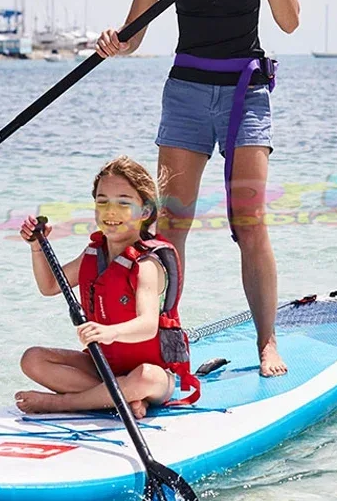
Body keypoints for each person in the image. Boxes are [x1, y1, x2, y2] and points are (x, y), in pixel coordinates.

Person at [95, 0, 300, 376]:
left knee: (249, 223)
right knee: (172, 225)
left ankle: (267, 342)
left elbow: (289, 22)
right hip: (185, 94)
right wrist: (114, 43)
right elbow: (135, 31)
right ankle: (166, 337)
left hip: (245, 95)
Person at [16, 156, 200, 419]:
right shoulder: (93, 254)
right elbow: (49, 285)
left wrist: (109, 332)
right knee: (32, 359)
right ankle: (122, 399)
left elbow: (147, 326)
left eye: (124, 203)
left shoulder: (146, 264)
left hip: (153, 376)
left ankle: (65, 403)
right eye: (102, 202)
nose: (111, 212)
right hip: (105, 367)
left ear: (145, 212)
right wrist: (37, 246)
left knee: (145, 378)